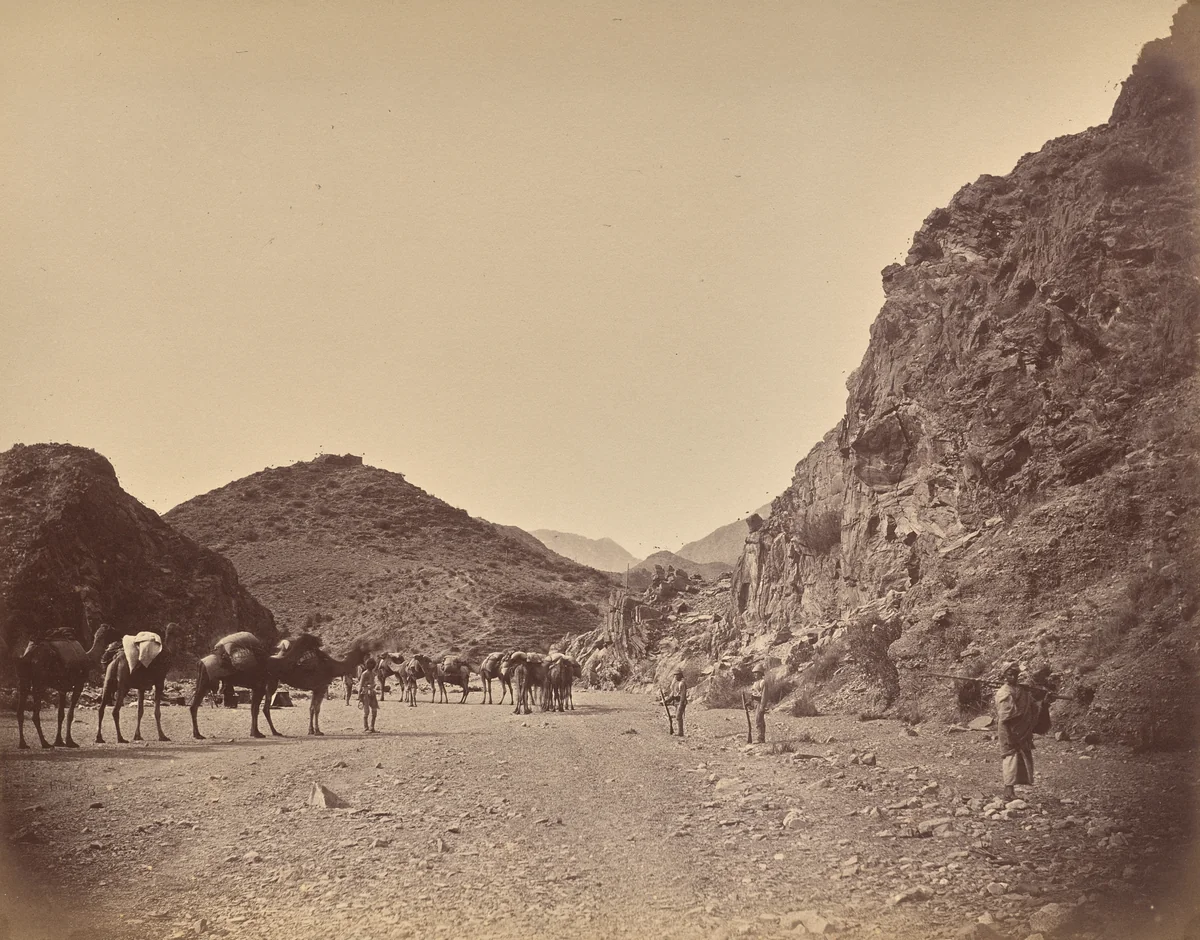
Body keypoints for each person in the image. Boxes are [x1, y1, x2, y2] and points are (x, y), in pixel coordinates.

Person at [995, 661, 1041, 799]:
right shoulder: (1004, 692)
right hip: (1008, 729)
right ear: (1004, 676)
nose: (1013, 677)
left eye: (1015, 674)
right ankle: (1008, 791)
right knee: (1010, 756)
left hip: (1021, 729)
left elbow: (1033, 706)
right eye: (1010, 675)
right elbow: (1006, 715)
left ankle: (1012, 790)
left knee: (1020, 757)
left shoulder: (1022, 690)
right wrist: (1013, 732)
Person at [665, 667, 689, 736]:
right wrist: (668, 700)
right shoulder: (676, 683)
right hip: (676, 702)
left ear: (680, 675)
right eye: (675, 675)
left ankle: (680, 733)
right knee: (677, 717)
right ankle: (679, 732)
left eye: (677, 675)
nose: (675, 676)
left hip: (681, 702)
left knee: (678, 716)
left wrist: (681, 704)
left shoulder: (682, 683)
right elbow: (673, 693)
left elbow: (683, 695)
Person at [747, 665, 767, 744]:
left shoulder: (763, 682)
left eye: (756, 673)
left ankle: (761, 738)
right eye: (754, 673)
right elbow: (753, 694)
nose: (755, 675)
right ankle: (760, 737)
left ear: (760, 673)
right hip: (755, 703)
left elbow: (764, 695)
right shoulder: (755, 683)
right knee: (758, 719)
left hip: (759, 703)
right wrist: (749, 702)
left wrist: (762, 706)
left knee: (759, 720)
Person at [358, 662, 379, 733]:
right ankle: (366, 728)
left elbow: (374, 683)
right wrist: (360, 696)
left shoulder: (373, 674)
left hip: (372, 693)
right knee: (366, 711)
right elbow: (360, 685)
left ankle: (372, 727)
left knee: (374, 710)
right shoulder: (364, 674)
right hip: (365, 693)